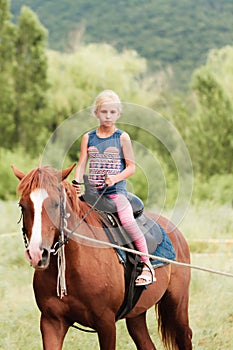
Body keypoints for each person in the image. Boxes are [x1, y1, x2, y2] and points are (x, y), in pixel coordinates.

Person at [72, 90, 155, 286]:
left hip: (115, 193)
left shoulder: (122, 137)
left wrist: (115, 178)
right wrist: (76, 182)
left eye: (112, 112)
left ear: (118, 114)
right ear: (96, 113)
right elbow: (82, 162)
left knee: (127, 221)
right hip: (92, 193)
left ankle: (146, 264)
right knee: (70, 216)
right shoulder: (88, 137)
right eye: (104, 112)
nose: (108, 116)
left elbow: (131, 167)